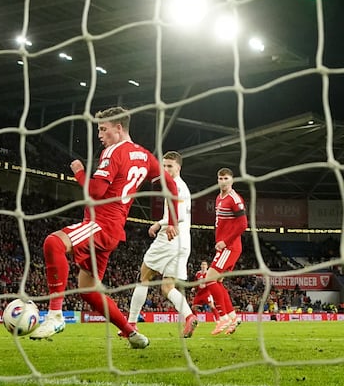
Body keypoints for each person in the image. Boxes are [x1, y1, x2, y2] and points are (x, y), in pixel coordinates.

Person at [27, 106, 179, 349]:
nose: (99, 134)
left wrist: (79, 173)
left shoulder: (113, 152)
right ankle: (133, 334)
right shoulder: (145, 155)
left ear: (118, 128)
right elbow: (171, 187)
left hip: (100, 224)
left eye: (103, 129)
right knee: (88, 290)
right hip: (114, 229)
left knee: (53, 242)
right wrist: (172, 220)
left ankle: (55, 315)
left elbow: (95, 192)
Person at [123, 151, 197, 338]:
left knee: (144, 276)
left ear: (178, 167)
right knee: (167, 287)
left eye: (169, 166)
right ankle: (189, 317)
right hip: (184, 242)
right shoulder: (181, 187)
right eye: (163, 165)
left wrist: (159, 223)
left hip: (170, 238)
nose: (165, 169)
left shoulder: (177, 187)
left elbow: (178, 216)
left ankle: (131, 323)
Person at [205, 167, 248, 335]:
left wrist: (225, 241)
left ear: (232, 180)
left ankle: (222, 317)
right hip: (223, 247)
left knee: (209, 279)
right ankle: (233, 317)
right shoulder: (218, 198)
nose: (223, 181)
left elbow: (243, 224)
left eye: (226, 178)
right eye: (220, 178)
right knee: (218, 282)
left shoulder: (234, 198)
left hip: (230, 247)